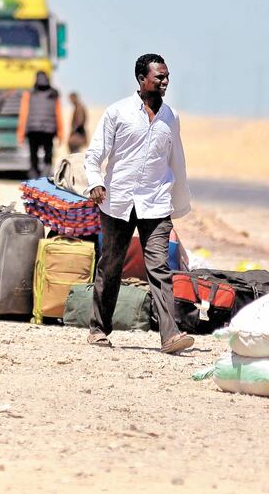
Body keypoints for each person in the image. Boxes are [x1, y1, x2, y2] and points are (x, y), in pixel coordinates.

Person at [85, 53, 193, 354]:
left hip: (156, 202)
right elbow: (94, 154)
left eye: (167, 76)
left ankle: (170, 335)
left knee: (158, 266)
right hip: (118, 201)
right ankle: (98, 329)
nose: (165, 82)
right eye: (159, 77)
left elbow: (177, 161)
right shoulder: (117, 113)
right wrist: (95, 181)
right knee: (111, 265)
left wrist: (179, 200)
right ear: (141, 79)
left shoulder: (170, 117)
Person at [17, 71, 64, 178]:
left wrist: (20, 134)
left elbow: (24, 114)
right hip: (49, 131)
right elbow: (58, 114)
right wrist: (60, 133)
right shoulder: (54, 94)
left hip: (33, 130)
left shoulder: (29, 93)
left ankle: (34, 180)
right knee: (48, 157)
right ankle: (45, 179)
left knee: (34, 157)